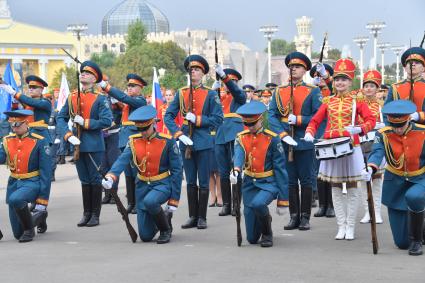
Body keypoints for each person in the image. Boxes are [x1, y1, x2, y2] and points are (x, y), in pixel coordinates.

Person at [304, 58, 376, 240]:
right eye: (337, 79)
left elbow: (371, 120)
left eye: (344, 79)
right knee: (335, 187)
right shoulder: (328, 101)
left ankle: (350, 226)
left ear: (350, 82)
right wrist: (310, 132)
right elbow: (315, 120)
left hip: (352, 147)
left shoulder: (357, 101)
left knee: (352, 187)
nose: (340, 82)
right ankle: (341, 225)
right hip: (331, 147)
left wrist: (360, 129)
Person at [102, 105, 182, 244]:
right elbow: (122, 160)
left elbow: (177, 171)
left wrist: (174, 199)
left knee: (150, 201)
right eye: (139, 129)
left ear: (153, 123)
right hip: (142, 186)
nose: (143, 132)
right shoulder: (133, 141)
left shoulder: (167, 141)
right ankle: (162, 216)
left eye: (145, 128)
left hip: (162, 184)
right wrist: (111, 176)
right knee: (145, 236)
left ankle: (165, 229)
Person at [164, 54, 223, 230]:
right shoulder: (182, 93)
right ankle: (192, 216)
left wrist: (197, 120)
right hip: (185, 142)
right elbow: (168, 116)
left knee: (203, 181)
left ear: (203, 73)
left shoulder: (211, 94)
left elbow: (218, 119)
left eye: (196, 69)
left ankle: (202, 217)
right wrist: (178, 134)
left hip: (204, 142)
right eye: (191, 70)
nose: (193, 72)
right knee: (190, 181)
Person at [269, 51, 321, 231]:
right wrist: (282, 135)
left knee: (306, 180)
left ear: (305, 69)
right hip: (285, 141)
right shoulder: (279, 91)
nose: (293, 70)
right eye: (291, 67)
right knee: (290, 180)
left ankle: (305, 216)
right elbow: (272, 115)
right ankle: (293, 216)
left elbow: (318, 116)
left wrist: (299, 120)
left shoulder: (313, 91)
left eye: (297, 67)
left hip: (303, 140)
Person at [365, 100, 425, 256]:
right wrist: (371, 167)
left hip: (419, 177)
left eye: (401, 125)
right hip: (395, 183)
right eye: (394, 126)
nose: (397, 130)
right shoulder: (383, 133)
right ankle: (417, 228)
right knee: (402, 243)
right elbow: (377, 152)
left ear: (408, 120)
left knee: (414, 196)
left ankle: (417, 240)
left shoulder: (422, 131)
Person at [57, 60, 113, 227]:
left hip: (94, 144)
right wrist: (68, 135)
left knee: (95, 179)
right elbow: (61, 118)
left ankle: (95, 214)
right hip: (77, 144)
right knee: (84, 179)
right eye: (82, 72)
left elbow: (107, 121)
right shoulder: (72, 96)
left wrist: (86, 122)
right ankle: (86, 213)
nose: (83, 74)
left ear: (95, 78)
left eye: (87, 73)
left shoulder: (100, 99)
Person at [233, 101, 289, 247]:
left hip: (268, 183)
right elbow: (239, 154)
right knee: (251, 239)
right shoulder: (241, 137)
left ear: (261, 120)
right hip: (249, 184)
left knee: (258, 204)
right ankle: (265, 218)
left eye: (252, 124)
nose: (250, 127)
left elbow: (281, 169)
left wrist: (283, 200)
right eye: (247, 124)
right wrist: (236, 169)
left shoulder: (273, 138)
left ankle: (267, 233)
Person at [0, 75, 52, 233]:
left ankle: (40, 212)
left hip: (41, 139)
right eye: (29, 87)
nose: (31, 90)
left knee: (40, 177)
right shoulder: (26, 106)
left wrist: (11, 91)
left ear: (42, 89)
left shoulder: (45, 102)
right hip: (22, 140)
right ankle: (39, 216)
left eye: (34, 87)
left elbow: (32, 103)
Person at [99, 74, 147, 213]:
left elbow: (124, 98)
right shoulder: (128, 102)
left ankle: (138, 203)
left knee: (137, 174)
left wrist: (107, 87)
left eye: (133, 86)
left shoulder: (140, 101)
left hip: (135, 139)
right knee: (128, 175)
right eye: (129, 86)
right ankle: (131, 203)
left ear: (140, 88)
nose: (130, 88)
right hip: (124, 140)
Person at [212, 66, 246, 216]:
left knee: (235, 170)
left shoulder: (239, 96)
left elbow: (236, 92)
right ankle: (226, 203)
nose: (228, 84)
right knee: (223, 171)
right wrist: (213, 92)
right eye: (226, 81)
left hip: (234, 135)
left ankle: (236, 203)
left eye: (232, 81)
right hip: (220, 135)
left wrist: (224, 77)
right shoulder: (220, 97)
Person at [358, 69, 386, 224]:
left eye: (372, 86)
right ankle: (368, 212)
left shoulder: (381, 106)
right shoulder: (357, 105)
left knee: (376, 179)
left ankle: (377, 211)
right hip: (360, 144)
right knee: (363, 179)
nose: (368, 88)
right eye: (366, 85)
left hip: (376, 145)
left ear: (377, 89)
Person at [310, 63, 335, 218]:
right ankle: (322, 205)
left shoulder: (332, 91)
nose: (318, 79)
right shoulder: (312, 92)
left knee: (330, 170)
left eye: (320, 76)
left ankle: (331, 205)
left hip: (330, 132)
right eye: (316, 76)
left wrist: (326, 79)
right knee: (318, 170)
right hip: (316, 133)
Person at [384, 47, 425, 124]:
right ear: (405, 68)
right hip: (399, 132)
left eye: (417, 62)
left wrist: (419, 116)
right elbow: (386, 111)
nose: (413, 64)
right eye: (410, 62)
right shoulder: (395, 87)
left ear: (423, 68)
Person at [100, 74, 122, 205]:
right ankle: (106, 193)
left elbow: (123, 111)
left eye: (104, 82)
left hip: (113, 133)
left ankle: (114, 193)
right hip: (101, 134)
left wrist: (117, 102)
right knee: (103, 166)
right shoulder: (97, 97)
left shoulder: (114, 96)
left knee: (113, 164)